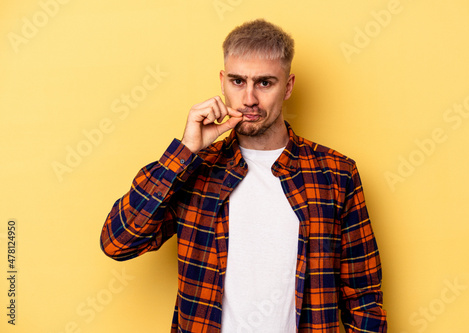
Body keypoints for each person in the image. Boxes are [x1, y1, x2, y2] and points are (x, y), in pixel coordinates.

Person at [100, 19, 387, 333]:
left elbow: (363, 296)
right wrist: (185, 151)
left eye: (265, 83)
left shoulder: (334, 173)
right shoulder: (194, 168)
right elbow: (119, 242)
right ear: (222, 81)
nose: (249, 99)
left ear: (288, 86)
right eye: (238, 82)